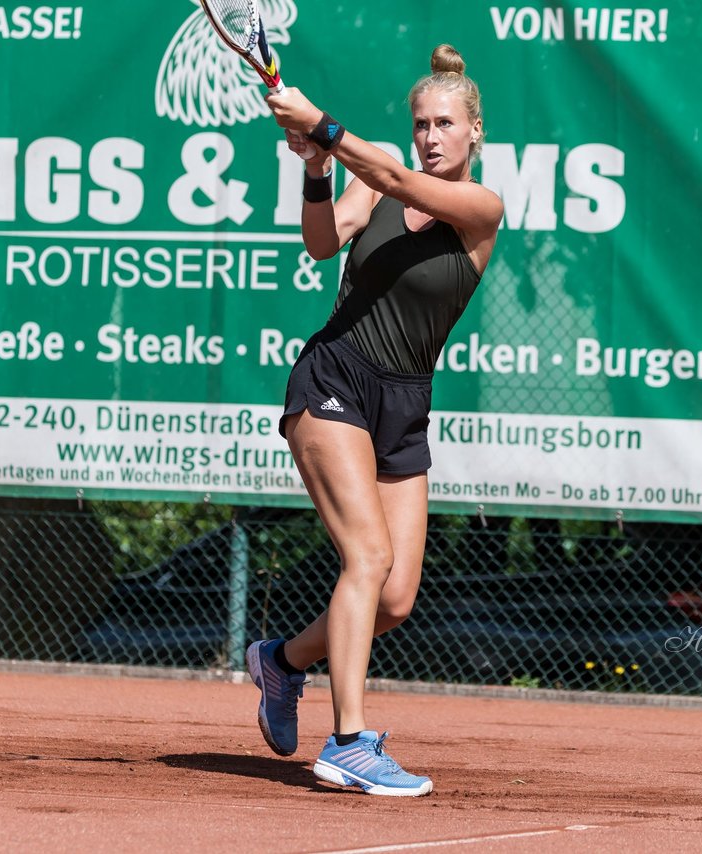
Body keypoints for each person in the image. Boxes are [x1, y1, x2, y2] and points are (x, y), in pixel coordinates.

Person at [245, 44, 503, 797]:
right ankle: (350, 742)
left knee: (395, 599)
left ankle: (281, 662)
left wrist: (323, 128)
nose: (430, 136)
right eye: (421, 122)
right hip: (334, 378)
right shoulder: (380, 179)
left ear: (474, 133)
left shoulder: (481, 210)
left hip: (405, 403)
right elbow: (320, 243)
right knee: (367, 557)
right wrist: (317, 169)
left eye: (445, 124)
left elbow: (391, 174)